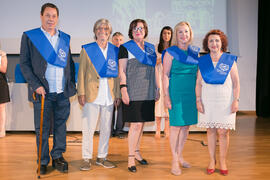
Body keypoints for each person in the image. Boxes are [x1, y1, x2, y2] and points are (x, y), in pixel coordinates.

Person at [20, 3, 76, 175]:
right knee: (42, 129)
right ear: (41, 16)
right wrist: (35, 85)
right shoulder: (30, 36)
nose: (51, 19)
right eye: (47, 15)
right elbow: (24, 63)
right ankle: (42, 160)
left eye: (54, 16)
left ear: (57, 18)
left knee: (60, 126)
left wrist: (71, 84)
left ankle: (58, 156)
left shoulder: (64, 38)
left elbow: (69, 64)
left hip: (62, 92)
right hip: (42, 92)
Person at [77, 19, 120, 171]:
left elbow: (117, 75)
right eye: (100, 28)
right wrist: (81, 92)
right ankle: (86, 158)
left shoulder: (114, 50)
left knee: (106, 128)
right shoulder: (87, 49)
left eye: (106, 28)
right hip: (91, 94)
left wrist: (118, 94)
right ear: (95, 31)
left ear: (109, 31)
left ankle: (102, 157)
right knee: (88, 128)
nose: (103, 30)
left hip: (109, 95)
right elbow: (81, 72)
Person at [196, 29, 240, 176]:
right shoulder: (203, 61)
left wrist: (236, 100)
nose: (214, 43)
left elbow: (236, 83)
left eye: (217, 41)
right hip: (208, 100)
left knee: (223, 132)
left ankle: (222, 161)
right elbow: (198, 83)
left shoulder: (229, 60)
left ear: (222, 43)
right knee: (211, 130)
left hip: (225, 101)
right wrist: (198, 100)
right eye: (211, 41)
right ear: (207, 44)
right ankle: (211, 160)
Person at [118, 19, 159, 173]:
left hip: (148, 89)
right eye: (135, 28)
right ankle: (130, 157)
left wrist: (157, 87)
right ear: (131, 31)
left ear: (145, 30)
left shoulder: (150, 48)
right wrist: (123, 89)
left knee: (141, 124)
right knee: (135, 125)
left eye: (141, 28)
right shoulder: (125, 48)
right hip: (133, 90)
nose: (138, 31)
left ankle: (136, 152)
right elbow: (121, 71)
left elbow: (154, 68)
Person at [163, 21, 200, 175]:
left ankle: (180, 155)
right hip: (176, 93)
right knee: (176, 126)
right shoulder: (170, 52)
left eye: (186, 32)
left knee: (186, 126)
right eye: (180, 32)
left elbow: (198, 75)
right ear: (176, 35)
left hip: (191, 93)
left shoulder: (195, 52)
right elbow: (165, 75)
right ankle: (174, 160)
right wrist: (166, 96)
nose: (184, 35)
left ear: (190, 34)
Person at [155, 26, 173, 139]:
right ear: (161, 35)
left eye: (169, 33)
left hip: (170, 77)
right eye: (164, 33)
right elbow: (153, 62)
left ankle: (166, 129)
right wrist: (163, 58)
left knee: (168, 103)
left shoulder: (174, 48)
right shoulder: (156, 47)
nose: (166, 35)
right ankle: (157, 130)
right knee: (158, 104)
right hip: (159, 76)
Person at [111, 32, 125, 139]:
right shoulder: (109, 53)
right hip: (111, 84)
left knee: (121, 108)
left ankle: (119, 130)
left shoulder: (125, 53)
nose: (118, 42)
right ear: (112, 40)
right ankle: (109, 130)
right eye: (116, 39)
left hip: (121, 83)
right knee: (110, 108)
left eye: (120, 40)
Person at [0, 50, 10, 138]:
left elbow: (4, 69)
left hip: (1, 84)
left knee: (1, 108)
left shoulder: (2, 54)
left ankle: (2, 130)